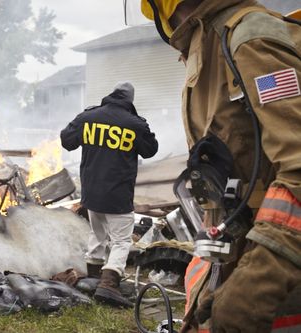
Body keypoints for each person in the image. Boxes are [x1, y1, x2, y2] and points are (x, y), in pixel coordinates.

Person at [124, 0, 301, 332]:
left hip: (279, 281)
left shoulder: (249, 40)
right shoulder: (210, 46)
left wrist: (256, 284)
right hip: (241, 254)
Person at [60, 82, 158, 307]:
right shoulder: (135, 125)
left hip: (92, 193)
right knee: (122, 240)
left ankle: (93, 276)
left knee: (98, 233)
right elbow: (151, 149)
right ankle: (108, 284)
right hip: (118, 195)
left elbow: (67, 140)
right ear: (130, 100)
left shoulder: (88, 118)